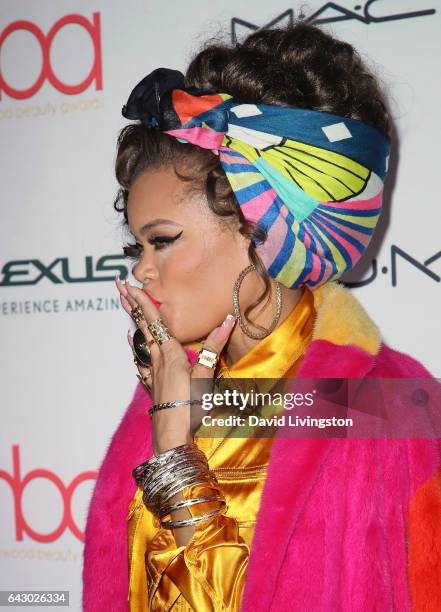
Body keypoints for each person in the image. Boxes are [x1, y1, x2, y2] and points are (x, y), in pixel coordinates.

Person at [82, 22, 441, 611]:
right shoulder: (170, 396)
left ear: (261, 232)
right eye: (136, 248)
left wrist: (175, 461)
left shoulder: (386, 411)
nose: (143, 271)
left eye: (163, 241)